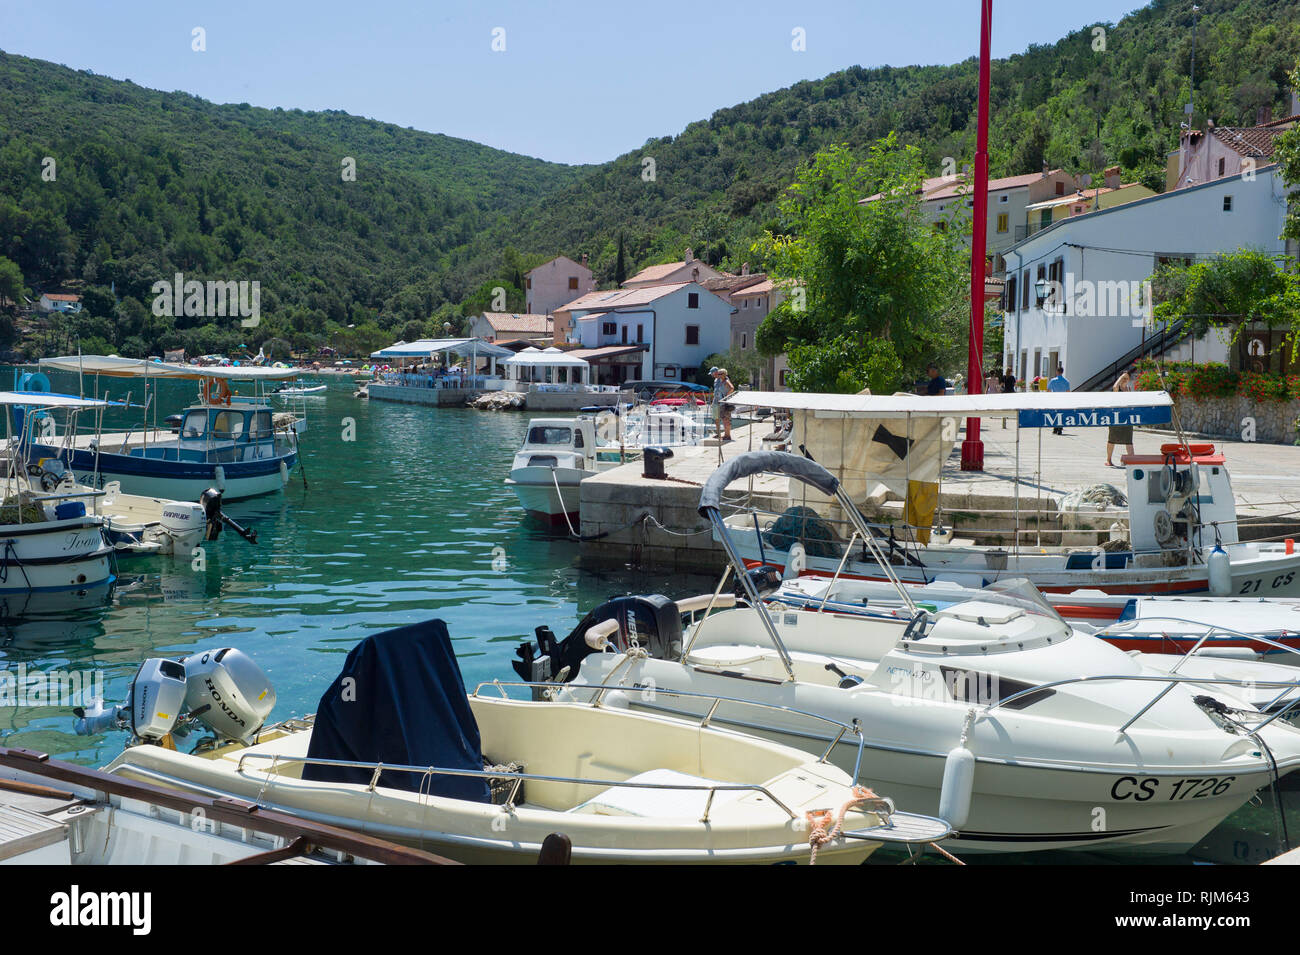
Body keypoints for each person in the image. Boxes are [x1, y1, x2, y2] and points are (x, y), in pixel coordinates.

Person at [1106, 369, 1136, 467]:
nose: (1125, 380)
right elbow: (1115, 387)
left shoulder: (1129, 389)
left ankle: (1132, 460)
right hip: (1116, 416)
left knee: (1129, 440)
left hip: (1127, 416)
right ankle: (1109, 460)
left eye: (1127, 378)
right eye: (1123, 378)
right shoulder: (1117, 388)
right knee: (1112, 439)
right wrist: (1121, 377)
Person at [711, 367, 735, 441]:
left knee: (726, 419)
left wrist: (726, 397)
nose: (718, 375)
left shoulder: (726, 380)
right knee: (717, 418)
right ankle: (722, 434)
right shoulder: (718, 380)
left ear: (724, 374)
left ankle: (727, 435)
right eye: (718, 374)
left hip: (723, 403)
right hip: (716, 402)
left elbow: (732, 388)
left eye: (720, 374)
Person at [1047, 364, 1070, 434]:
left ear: (1057, 372)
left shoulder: (1053, 380)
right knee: (1061, 413)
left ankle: (1055, 428)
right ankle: (1060, 428)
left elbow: (1048, 390)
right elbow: (1068, 391)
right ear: (1062, 372)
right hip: (1063, 399)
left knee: (1054, 413)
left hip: (1054, 399)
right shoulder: (1066, 381)